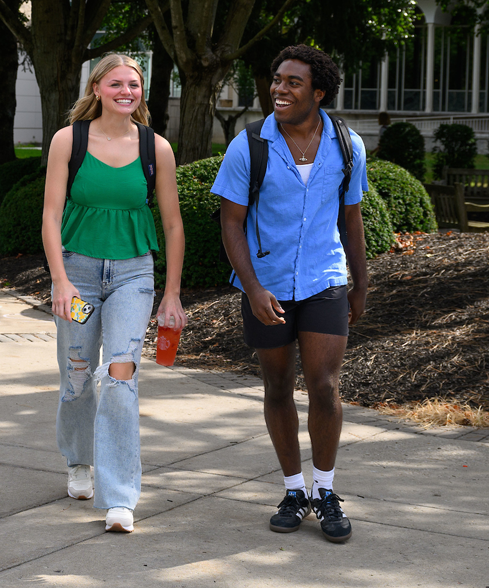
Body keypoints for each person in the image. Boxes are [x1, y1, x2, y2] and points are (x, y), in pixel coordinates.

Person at [212, 44, 369, 543]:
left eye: (293, 82)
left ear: (318, 93)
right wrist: (253, 288)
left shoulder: (347, 145)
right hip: (268, 286)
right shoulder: (250, 145)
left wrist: (360, 283)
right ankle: (294, 489)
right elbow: (230, 223)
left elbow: (351, 219)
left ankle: (325, 491)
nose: (279, 89)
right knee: (278, 387)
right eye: (277, 79)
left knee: (323, 386)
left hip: (325, 280)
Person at [40, 53, 186, 534]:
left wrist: (171, 294)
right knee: (77, 374)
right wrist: (60, 281)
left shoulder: (156, 148)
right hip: (77, 275)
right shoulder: (70, 140)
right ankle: (79, 460)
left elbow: (172, 224)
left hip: (132, 277)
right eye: (118, 83)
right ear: (97, 88)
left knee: (121, 375)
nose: (128, 91)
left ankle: (120, 496)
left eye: (135, 84)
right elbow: (51, 217)